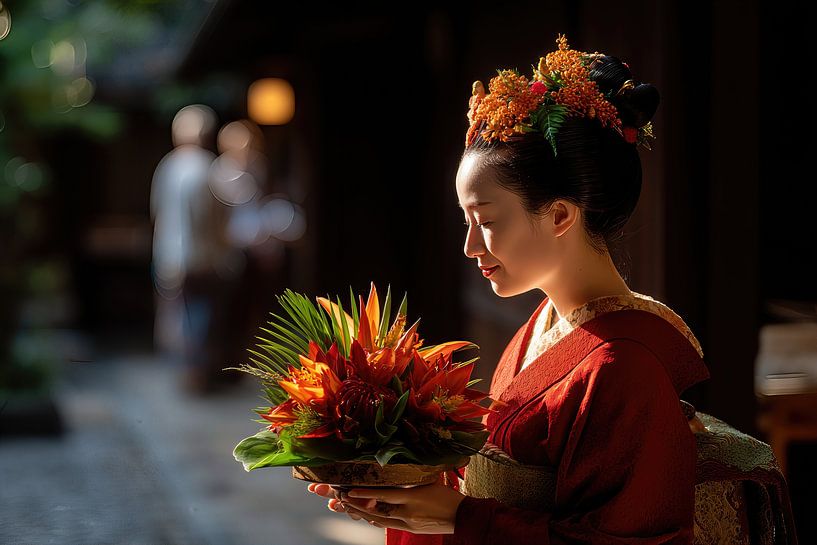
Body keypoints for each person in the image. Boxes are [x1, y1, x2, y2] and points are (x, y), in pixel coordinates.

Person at [307, 35, 711, 543]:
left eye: (487, 221)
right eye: (466, 221)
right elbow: (493, 484)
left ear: (560, 215)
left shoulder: (625, 364)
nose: (470, 246)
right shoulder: (543, 328)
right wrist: (398, 485)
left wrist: (460, 518)